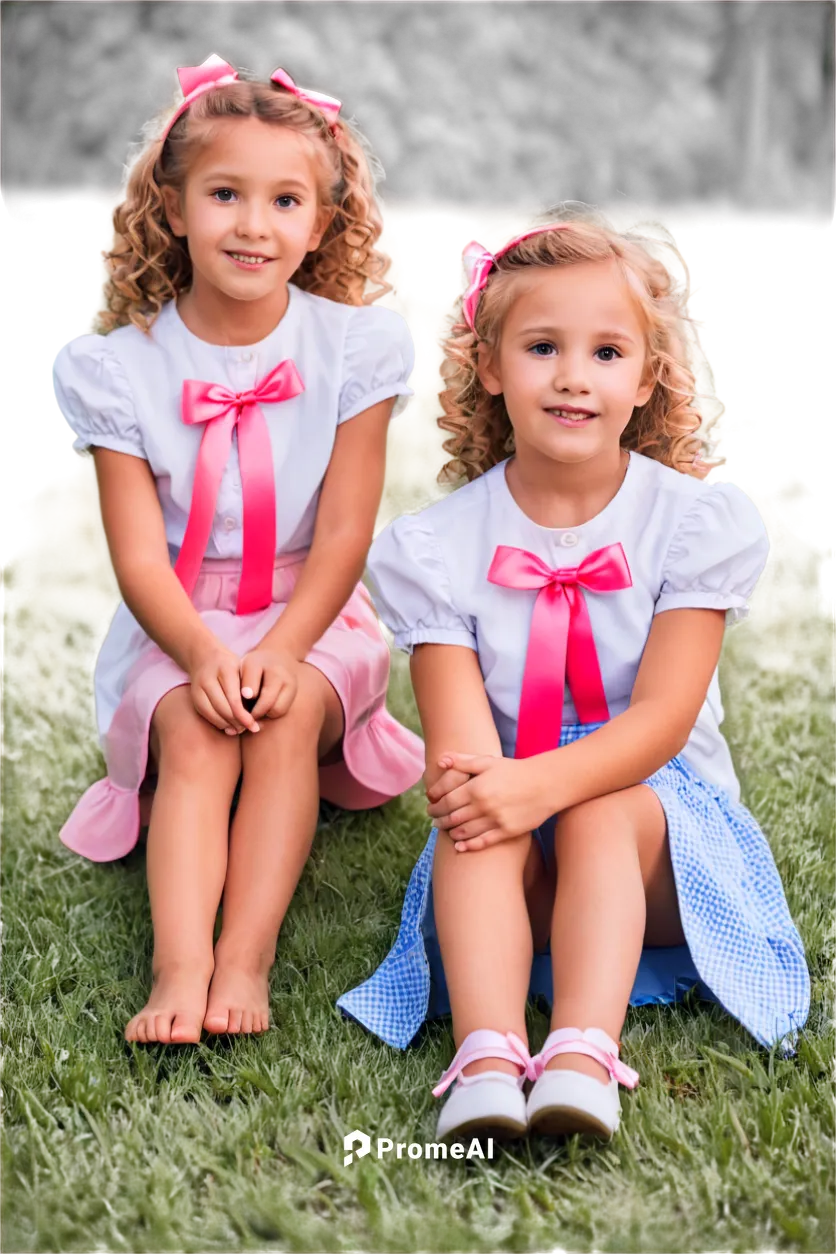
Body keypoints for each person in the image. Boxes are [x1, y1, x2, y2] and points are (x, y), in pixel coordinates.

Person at [337, 214, 810, 1142]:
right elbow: (466, 755)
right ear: (490, 366)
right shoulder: (435, 549)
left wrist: (542, 784)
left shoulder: (689, 525)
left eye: (605, 351)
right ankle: (486, 1054)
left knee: (598, 805)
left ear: (645, 378)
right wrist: (504, 792)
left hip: (663, 834)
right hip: (515, 835)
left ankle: (585, 1056)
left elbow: (666, 718)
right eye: (542, 346)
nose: (571, 375)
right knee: (470, 818)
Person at [49, 53, 424, 1046]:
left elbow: (345, 529)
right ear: (172, 209)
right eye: (224, 194)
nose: (253, 225)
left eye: (284, 200)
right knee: (198, 731)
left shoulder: (355, 347)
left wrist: (280, 651)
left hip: (312, 606)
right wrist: (206, 655)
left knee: (283, 717)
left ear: (320, 222)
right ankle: (180, 966)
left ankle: (243, 959)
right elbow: (137, 557)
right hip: (179, 613)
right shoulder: (117, 370)